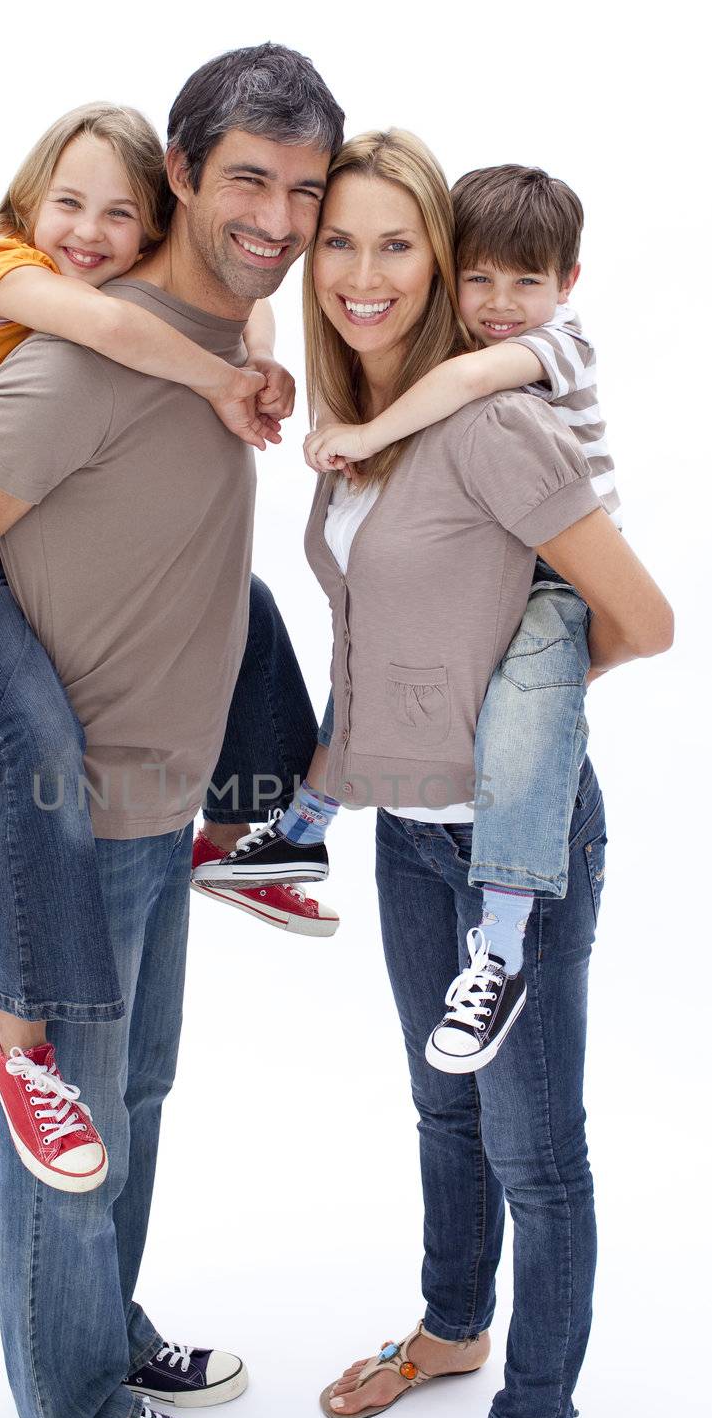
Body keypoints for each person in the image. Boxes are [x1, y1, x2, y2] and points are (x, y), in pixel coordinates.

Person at [0, 43, 344, 1418]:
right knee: (63, 1116)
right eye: (245, 176)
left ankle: (101, 1332)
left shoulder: (222, 349)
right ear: (180, 175)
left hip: (163, 804)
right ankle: (67, 1410)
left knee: (130, 1100)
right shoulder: (86, 348)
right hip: (66, 819)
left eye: (304, 188)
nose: (278, 214)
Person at [302, 129, 671, 1418]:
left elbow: (638, 621)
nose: (364, 273)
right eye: (340, 244)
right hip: (411, 836)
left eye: (396, 245)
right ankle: (453, 1324)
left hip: (521, 838)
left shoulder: (498, 413)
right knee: (442, 1108)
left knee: (537, 1152)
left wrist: (518, 714)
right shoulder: (368, 428)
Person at [0, 99, 300, 1190]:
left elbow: (239, 307)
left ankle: (250, 829)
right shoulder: (1, 269)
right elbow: (113, 330)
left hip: (13, 572)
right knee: (42, 743)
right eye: (69, 202)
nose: (90, 232)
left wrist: (255, 352)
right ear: (28, 201)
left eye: (121, 216)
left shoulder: (127, 293)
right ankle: (23, 1049)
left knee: (235, 600)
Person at [200, 161, 622, 1073]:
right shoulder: (411, 399)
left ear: (567, 285)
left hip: (557, 588)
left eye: (527, 282)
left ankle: (501, 946)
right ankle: (304, 828)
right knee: (372, 640)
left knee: (535, 1154)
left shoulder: (531, 363)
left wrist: (552, 677)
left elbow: (647, 620)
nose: (501, 302)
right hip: (412, 802)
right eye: (481, 278)